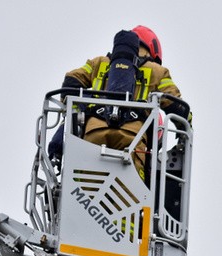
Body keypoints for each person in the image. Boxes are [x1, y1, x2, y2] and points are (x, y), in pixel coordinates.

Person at [48, 26, 189, 182]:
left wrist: (74, 112)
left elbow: (71, 80)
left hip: (93, 134)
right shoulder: (157, 71)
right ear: (151, 51)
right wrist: (186, 125)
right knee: (130, 198)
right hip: (132, 140)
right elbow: (176, 105)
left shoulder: (99, 63)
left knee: (85, 193)